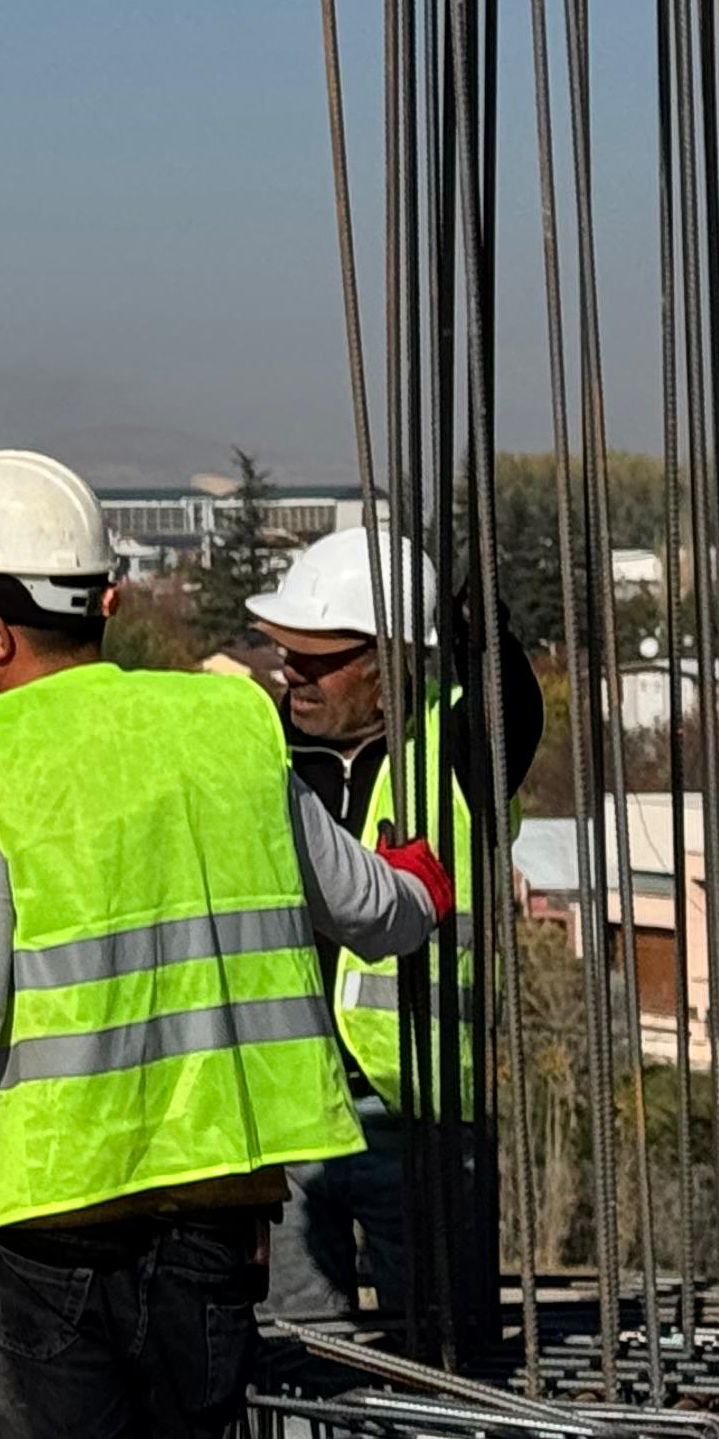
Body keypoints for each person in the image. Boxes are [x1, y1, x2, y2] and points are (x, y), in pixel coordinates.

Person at [0, 449, 451, 1439]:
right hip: (213, 1235)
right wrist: (420, 891)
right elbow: (369, 904)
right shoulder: (224, 724)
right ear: (102, 603)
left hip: (40, 1245)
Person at [220, 527, 543, 1329]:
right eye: (284, 651)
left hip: (421, 1119)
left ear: (389, 663)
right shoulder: (259, 757)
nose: (290, 671)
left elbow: (513, 712)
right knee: (298, 1360)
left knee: (446, 1363)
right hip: (286, 1116)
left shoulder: (455, 750)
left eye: (318, 656)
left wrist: (487, 643)